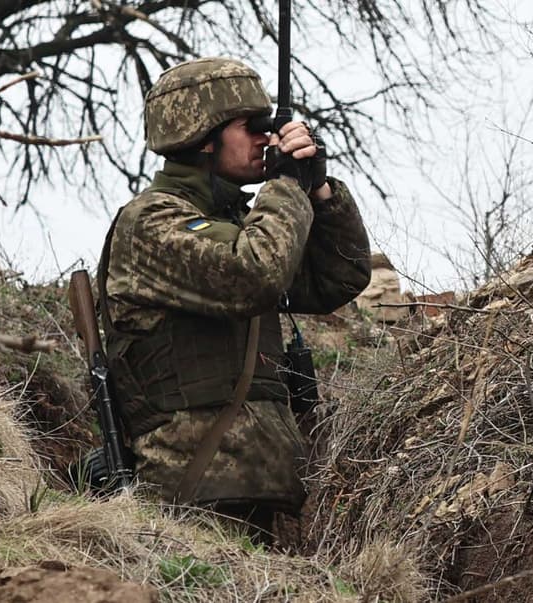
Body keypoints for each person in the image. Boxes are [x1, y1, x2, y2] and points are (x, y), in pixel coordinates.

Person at [97, 57, 371, 542]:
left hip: (262, 488)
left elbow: (339, 278)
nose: (267, 138)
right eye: (252, 127)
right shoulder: (151, 224)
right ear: (203, 137)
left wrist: (320, 190)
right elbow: (254, 273)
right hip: (187, 498)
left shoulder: (243, 224)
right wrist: (286, 186)